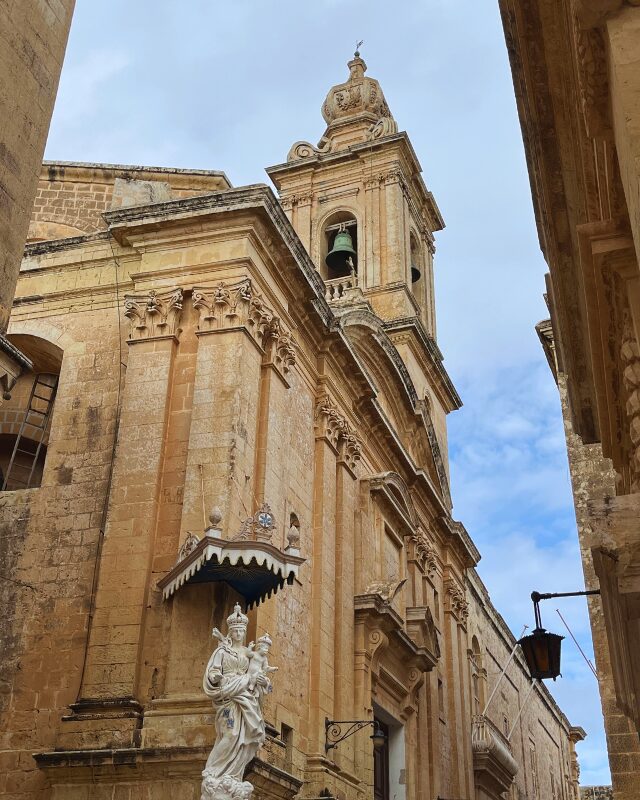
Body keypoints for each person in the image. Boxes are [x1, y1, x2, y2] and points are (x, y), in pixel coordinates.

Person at [202, 604, 273, 782]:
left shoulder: (249, 654)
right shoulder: (222, 651)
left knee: (244, 737)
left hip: (245, 697)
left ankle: (233, 774)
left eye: (242, 631)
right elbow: (212, 671)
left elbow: (257, 674)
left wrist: (265, 683)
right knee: (231, 733)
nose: (239, 634)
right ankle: (213, 771)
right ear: (231, 632)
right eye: (235, 631)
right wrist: (216, 676)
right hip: (227, 697)